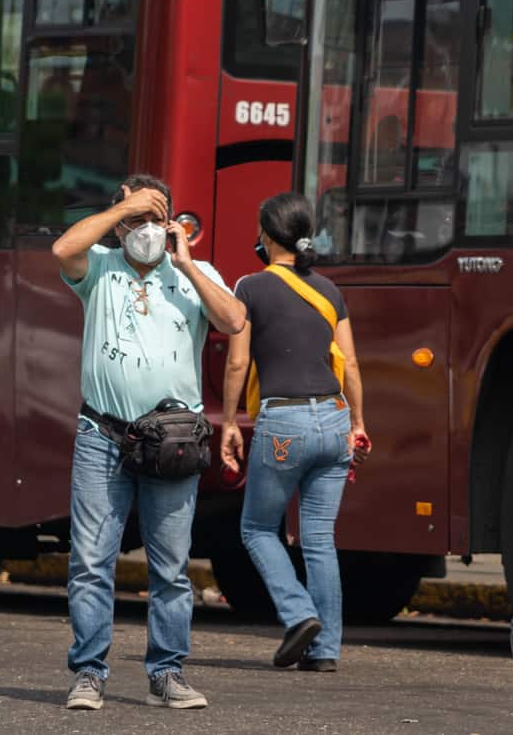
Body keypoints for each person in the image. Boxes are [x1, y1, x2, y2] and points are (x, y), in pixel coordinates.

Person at [51, 174, 246, 711]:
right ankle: (89, 672)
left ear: (170, 224)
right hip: (102, 436)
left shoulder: (195, 273)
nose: (142, 230)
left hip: (171, 443)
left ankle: (168, 672)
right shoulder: (99, 267)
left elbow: (234, 319)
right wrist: (124, 210)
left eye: (150, 218)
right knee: (91, 561)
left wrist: (184, 264)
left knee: (171, 568)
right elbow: (62, 248)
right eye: (133, 219)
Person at [219, 192, 370, 672]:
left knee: (258, 529)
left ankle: (299, 613)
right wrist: (359, 425)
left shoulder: (250, 287)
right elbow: (350, 369)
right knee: (319, 539)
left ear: (266, 236)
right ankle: (325, 651)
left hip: (284, 421)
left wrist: (228, 421)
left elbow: (239, 360)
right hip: (333, 420)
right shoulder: (330, 290)